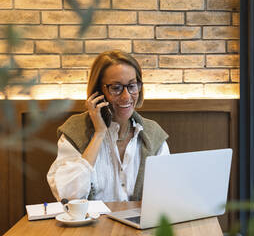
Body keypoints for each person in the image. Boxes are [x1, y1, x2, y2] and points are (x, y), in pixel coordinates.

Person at [47, 50, 169, 202]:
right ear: (98, 92)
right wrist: (99, 134)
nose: (126, 96)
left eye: (132, 86)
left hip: (139, 225)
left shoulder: (153, 134)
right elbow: (68, 196)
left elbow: (166, 193)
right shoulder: (75, 131)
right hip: (92, 224)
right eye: (116, 88)